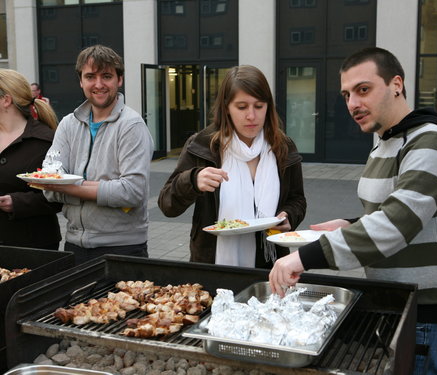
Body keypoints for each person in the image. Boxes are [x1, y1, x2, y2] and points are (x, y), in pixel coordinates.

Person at [269, 47, 437, 375]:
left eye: (363, 90)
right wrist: (348, 223)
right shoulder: (385, 141)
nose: (352, 104)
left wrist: (303, 257)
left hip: (430, 312)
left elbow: (397, 224)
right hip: (399, 301)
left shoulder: (429, 141)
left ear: (396, 84)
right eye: (347, 94)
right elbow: (396, 210)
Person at [159, 65, 306, 268]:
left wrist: (289, 216)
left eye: (259, 106)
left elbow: (297, 199)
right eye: (242, 107)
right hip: (213, 262)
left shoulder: (283, 147)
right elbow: (167, 205)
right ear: (226, 107)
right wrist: (192, 180)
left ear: (268, 107)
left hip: (270, 263)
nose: (251, 116)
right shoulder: (202, 145)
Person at [40, 44, 154, 265]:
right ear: (81, 81)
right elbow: (48, 186)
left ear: (119, 80)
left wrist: (69, 186)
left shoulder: (132, 126)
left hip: (123, 249)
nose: (99, 84)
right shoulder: (67, 124)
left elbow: (132, 192)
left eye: (107, 76)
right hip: (74, 245)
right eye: (90, 76)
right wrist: (100, 190)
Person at [0, 69, 62, 249]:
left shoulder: (45, 140)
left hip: (33, 248)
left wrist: (17, 203)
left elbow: (59, 196)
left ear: (6, 100)